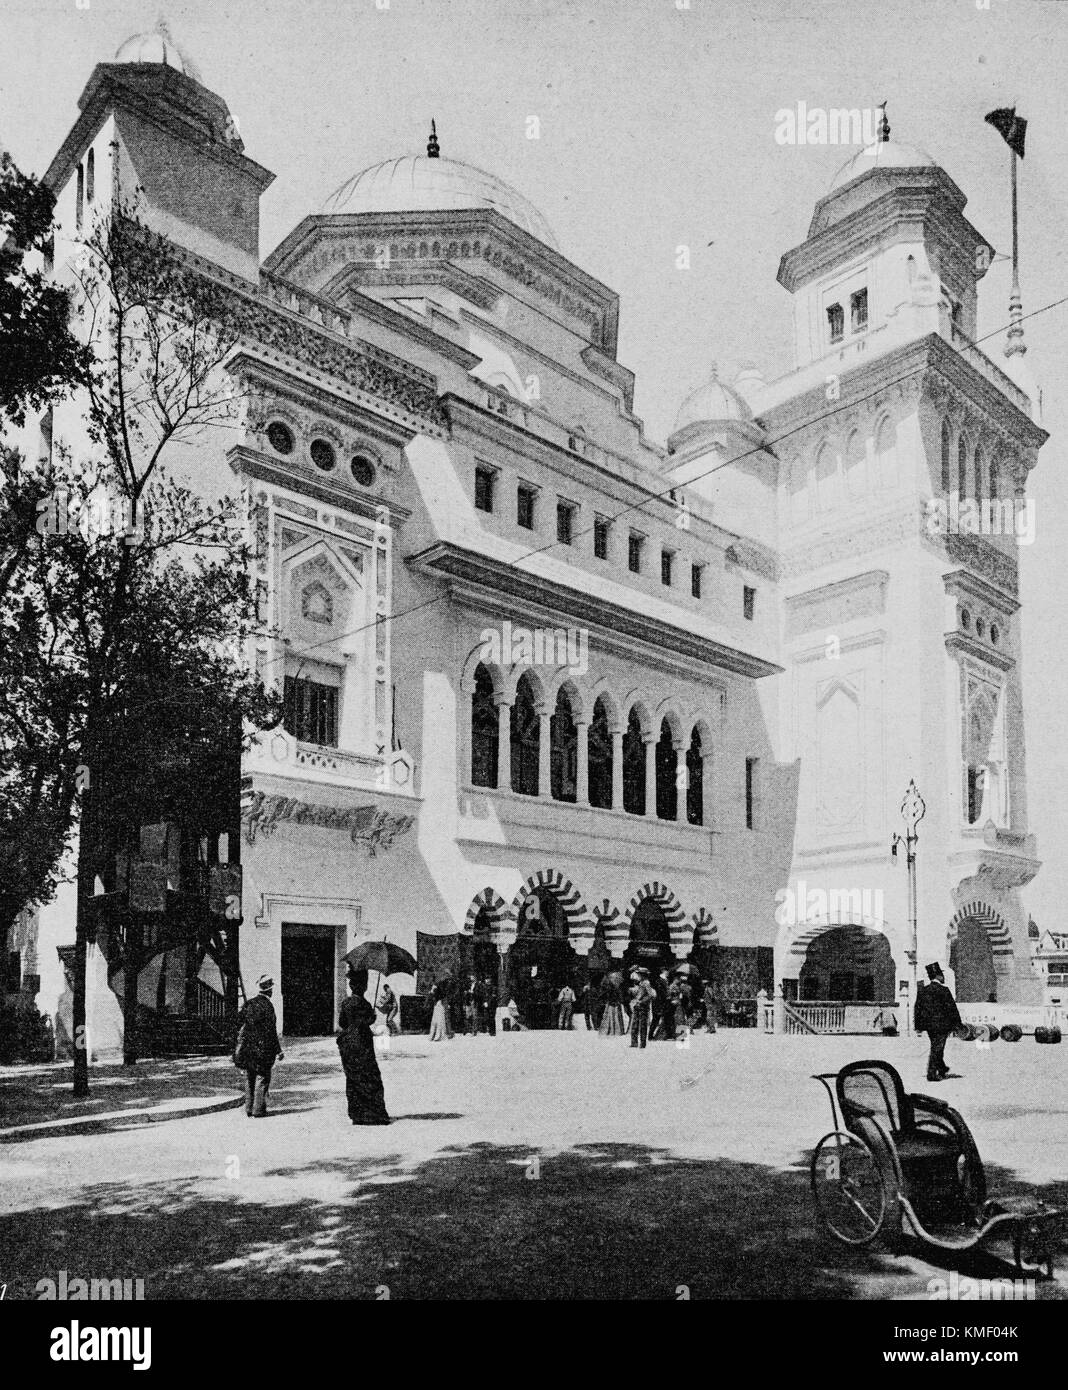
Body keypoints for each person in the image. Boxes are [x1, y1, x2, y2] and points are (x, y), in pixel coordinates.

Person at [337, 968, 391, 1125]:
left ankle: (357, 1114)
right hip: (362, 1043)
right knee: (369, 1076)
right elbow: (367, 1022)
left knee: (353, 1078)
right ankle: (373, 1114)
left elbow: (342, 1023)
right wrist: (372, 1016)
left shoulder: (346, 1003)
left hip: (348, 1044)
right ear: (364, 987)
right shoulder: (365, 1004)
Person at [234, 973, 284, 1118]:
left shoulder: (249, 1003)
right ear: (269, 990)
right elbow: (271, 1032)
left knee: (250, 1076)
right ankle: (259, 1109)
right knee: (262, 1077)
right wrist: (278, 1050)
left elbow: (239, 1022)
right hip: (263, 1049)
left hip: (249, 1048)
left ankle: (248, 1108)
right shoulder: (268, 1006)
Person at [914, 962, 963, 1082]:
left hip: (929, 1026)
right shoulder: (944, 990)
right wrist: (957, 1024)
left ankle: (942, 1068)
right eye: (942, 975)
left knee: (936, 1046)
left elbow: (918, 1008)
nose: (944, 977)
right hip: (942, 1025)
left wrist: (918, 1026)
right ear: (939, 976)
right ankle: (931, 1074)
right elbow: (951, 1008)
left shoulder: (923, 991)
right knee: (937, 1048)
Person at [629, 970, 655, 1049]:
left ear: (643, 975)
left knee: (642, 1025)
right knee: (635, 1025)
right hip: (638, 1005)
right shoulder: (641, 983)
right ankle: (634, 1042)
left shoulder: (646, 983)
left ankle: (642, 1043)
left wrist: (642, 1001)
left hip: (643, 1006)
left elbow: (651, 995)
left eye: (639, 975)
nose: (638, 976)